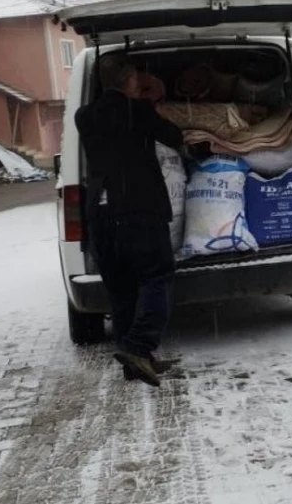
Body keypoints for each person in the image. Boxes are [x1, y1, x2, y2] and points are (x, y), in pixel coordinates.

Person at [74, 54, 185, 387]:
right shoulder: (137, 111)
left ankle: (135, 363)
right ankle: (139, 347)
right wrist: (146, 104)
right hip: (138, 211)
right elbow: (174, 136)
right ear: (130, 82)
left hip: (101, 217)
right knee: (157, 277)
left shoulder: (84, 116)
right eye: (136, 78)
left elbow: (107, 124)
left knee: (121, 290)